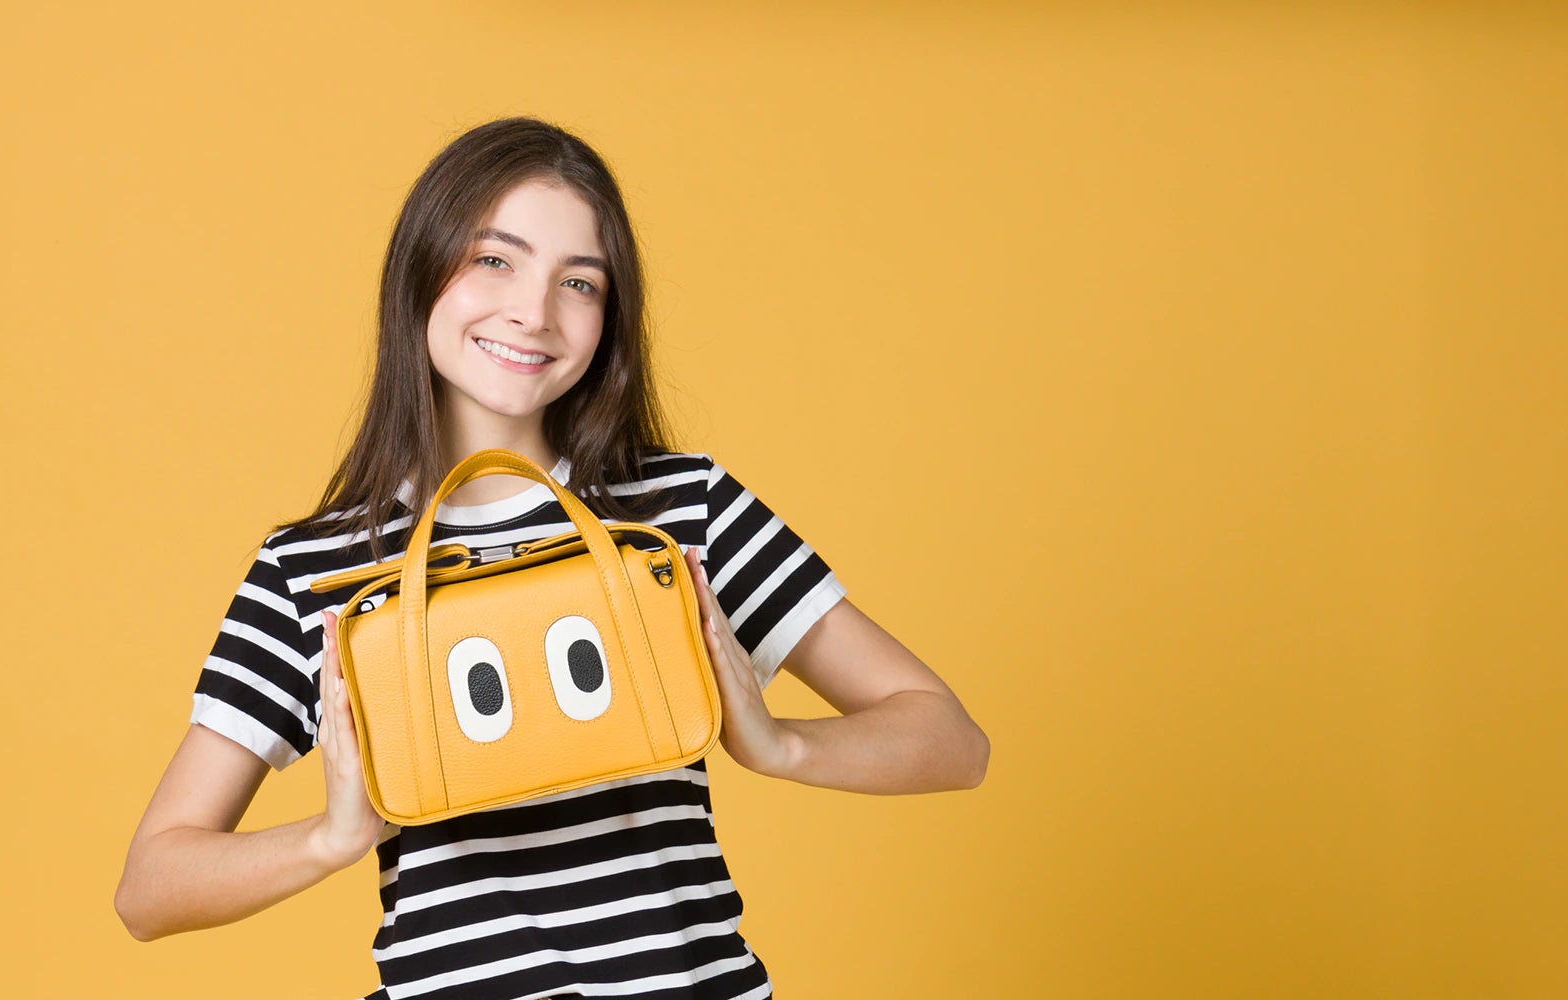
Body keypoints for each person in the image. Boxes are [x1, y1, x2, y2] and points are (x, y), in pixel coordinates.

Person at [114, 116, 990, 1000]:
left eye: (580, 282)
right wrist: (333, 836)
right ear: (422, 268)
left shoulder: (679, 513)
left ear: (610, 319)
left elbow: (952, 742)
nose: (533, 311)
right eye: (494, 260)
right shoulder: (318, 568)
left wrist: (778, 745)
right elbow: (151, 888)